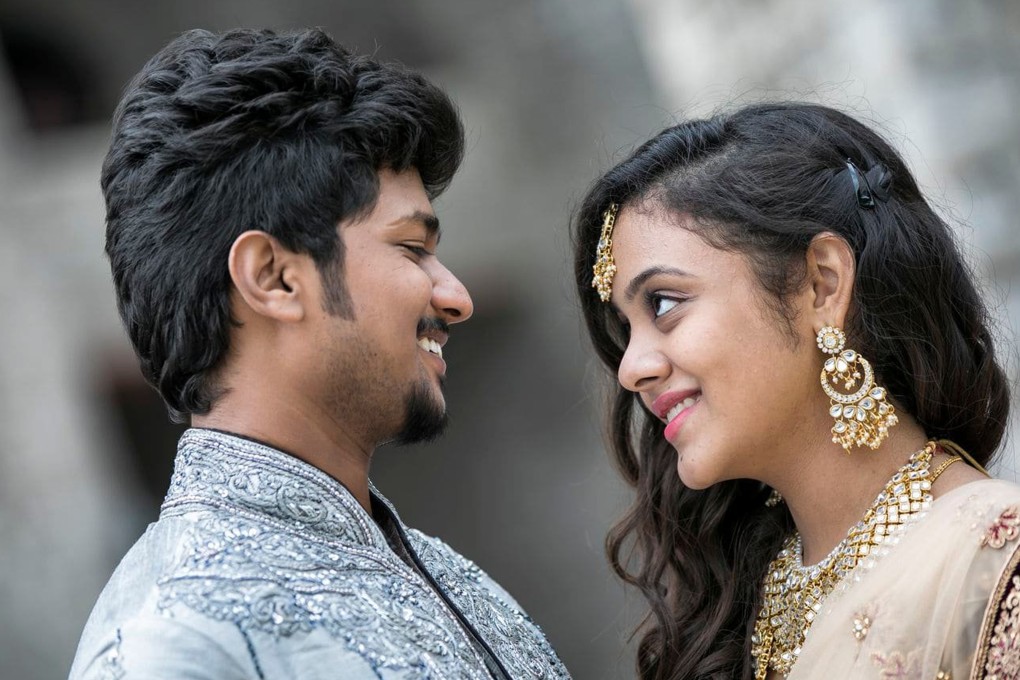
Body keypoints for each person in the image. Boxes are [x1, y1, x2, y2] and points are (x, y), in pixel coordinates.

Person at [70, 28, 569, 680]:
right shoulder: (170, 642)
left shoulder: (452, 579)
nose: (456, 297)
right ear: (274, 278)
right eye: (413, 249)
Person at [572, 102, 1019, 679]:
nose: (632, 368)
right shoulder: (737, 607)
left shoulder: (993, 562)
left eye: (663, 303)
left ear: (821, 284)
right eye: (626, 331)